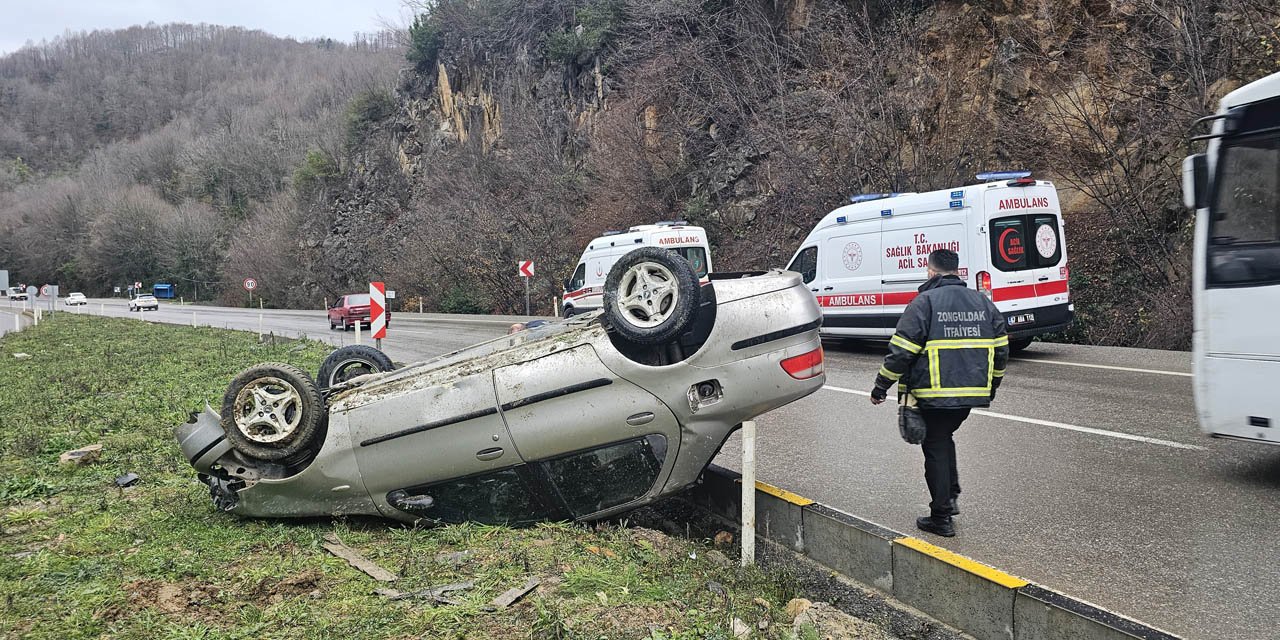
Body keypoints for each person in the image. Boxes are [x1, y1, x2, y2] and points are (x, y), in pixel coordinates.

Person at [869, 249, 1009, 537]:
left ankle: (941, 516)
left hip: (933, 394)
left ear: (930, 272)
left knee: (934, 445)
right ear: (957, 271)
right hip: (970, 394)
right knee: (943, 438)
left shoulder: (924, 303)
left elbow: (901, 353)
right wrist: (991, 386)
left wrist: (881, 386)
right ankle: (951, 495)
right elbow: (1002, 350)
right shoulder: (983, 302)